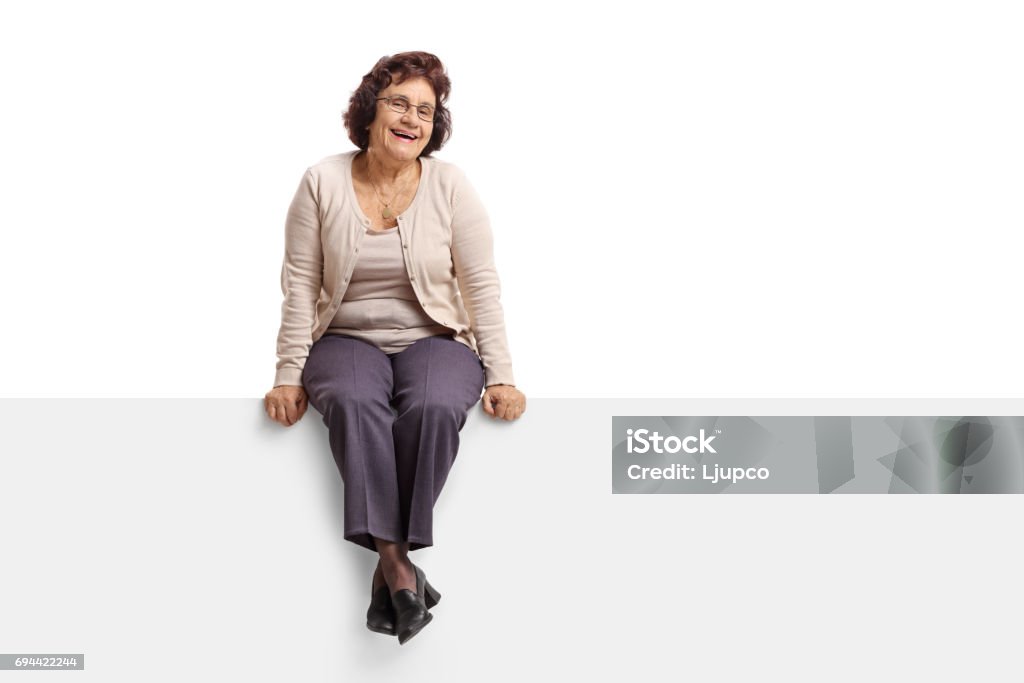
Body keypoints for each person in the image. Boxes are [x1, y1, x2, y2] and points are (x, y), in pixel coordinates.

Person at [263, 51, 526, 645]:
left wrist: (503, 373)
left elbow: (479, 283)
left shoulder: (451, 185)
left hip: (435, 337)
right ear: (369, 111)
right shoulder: (321, 180)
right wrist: (287, 373)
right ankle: (401, 567)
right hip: (345, 336)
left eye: (426, 110)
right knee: (356, 405)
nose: (412, 118)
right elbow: (300, 283)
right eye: (399, 103)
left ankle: (389, 573)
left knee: (434, 408)